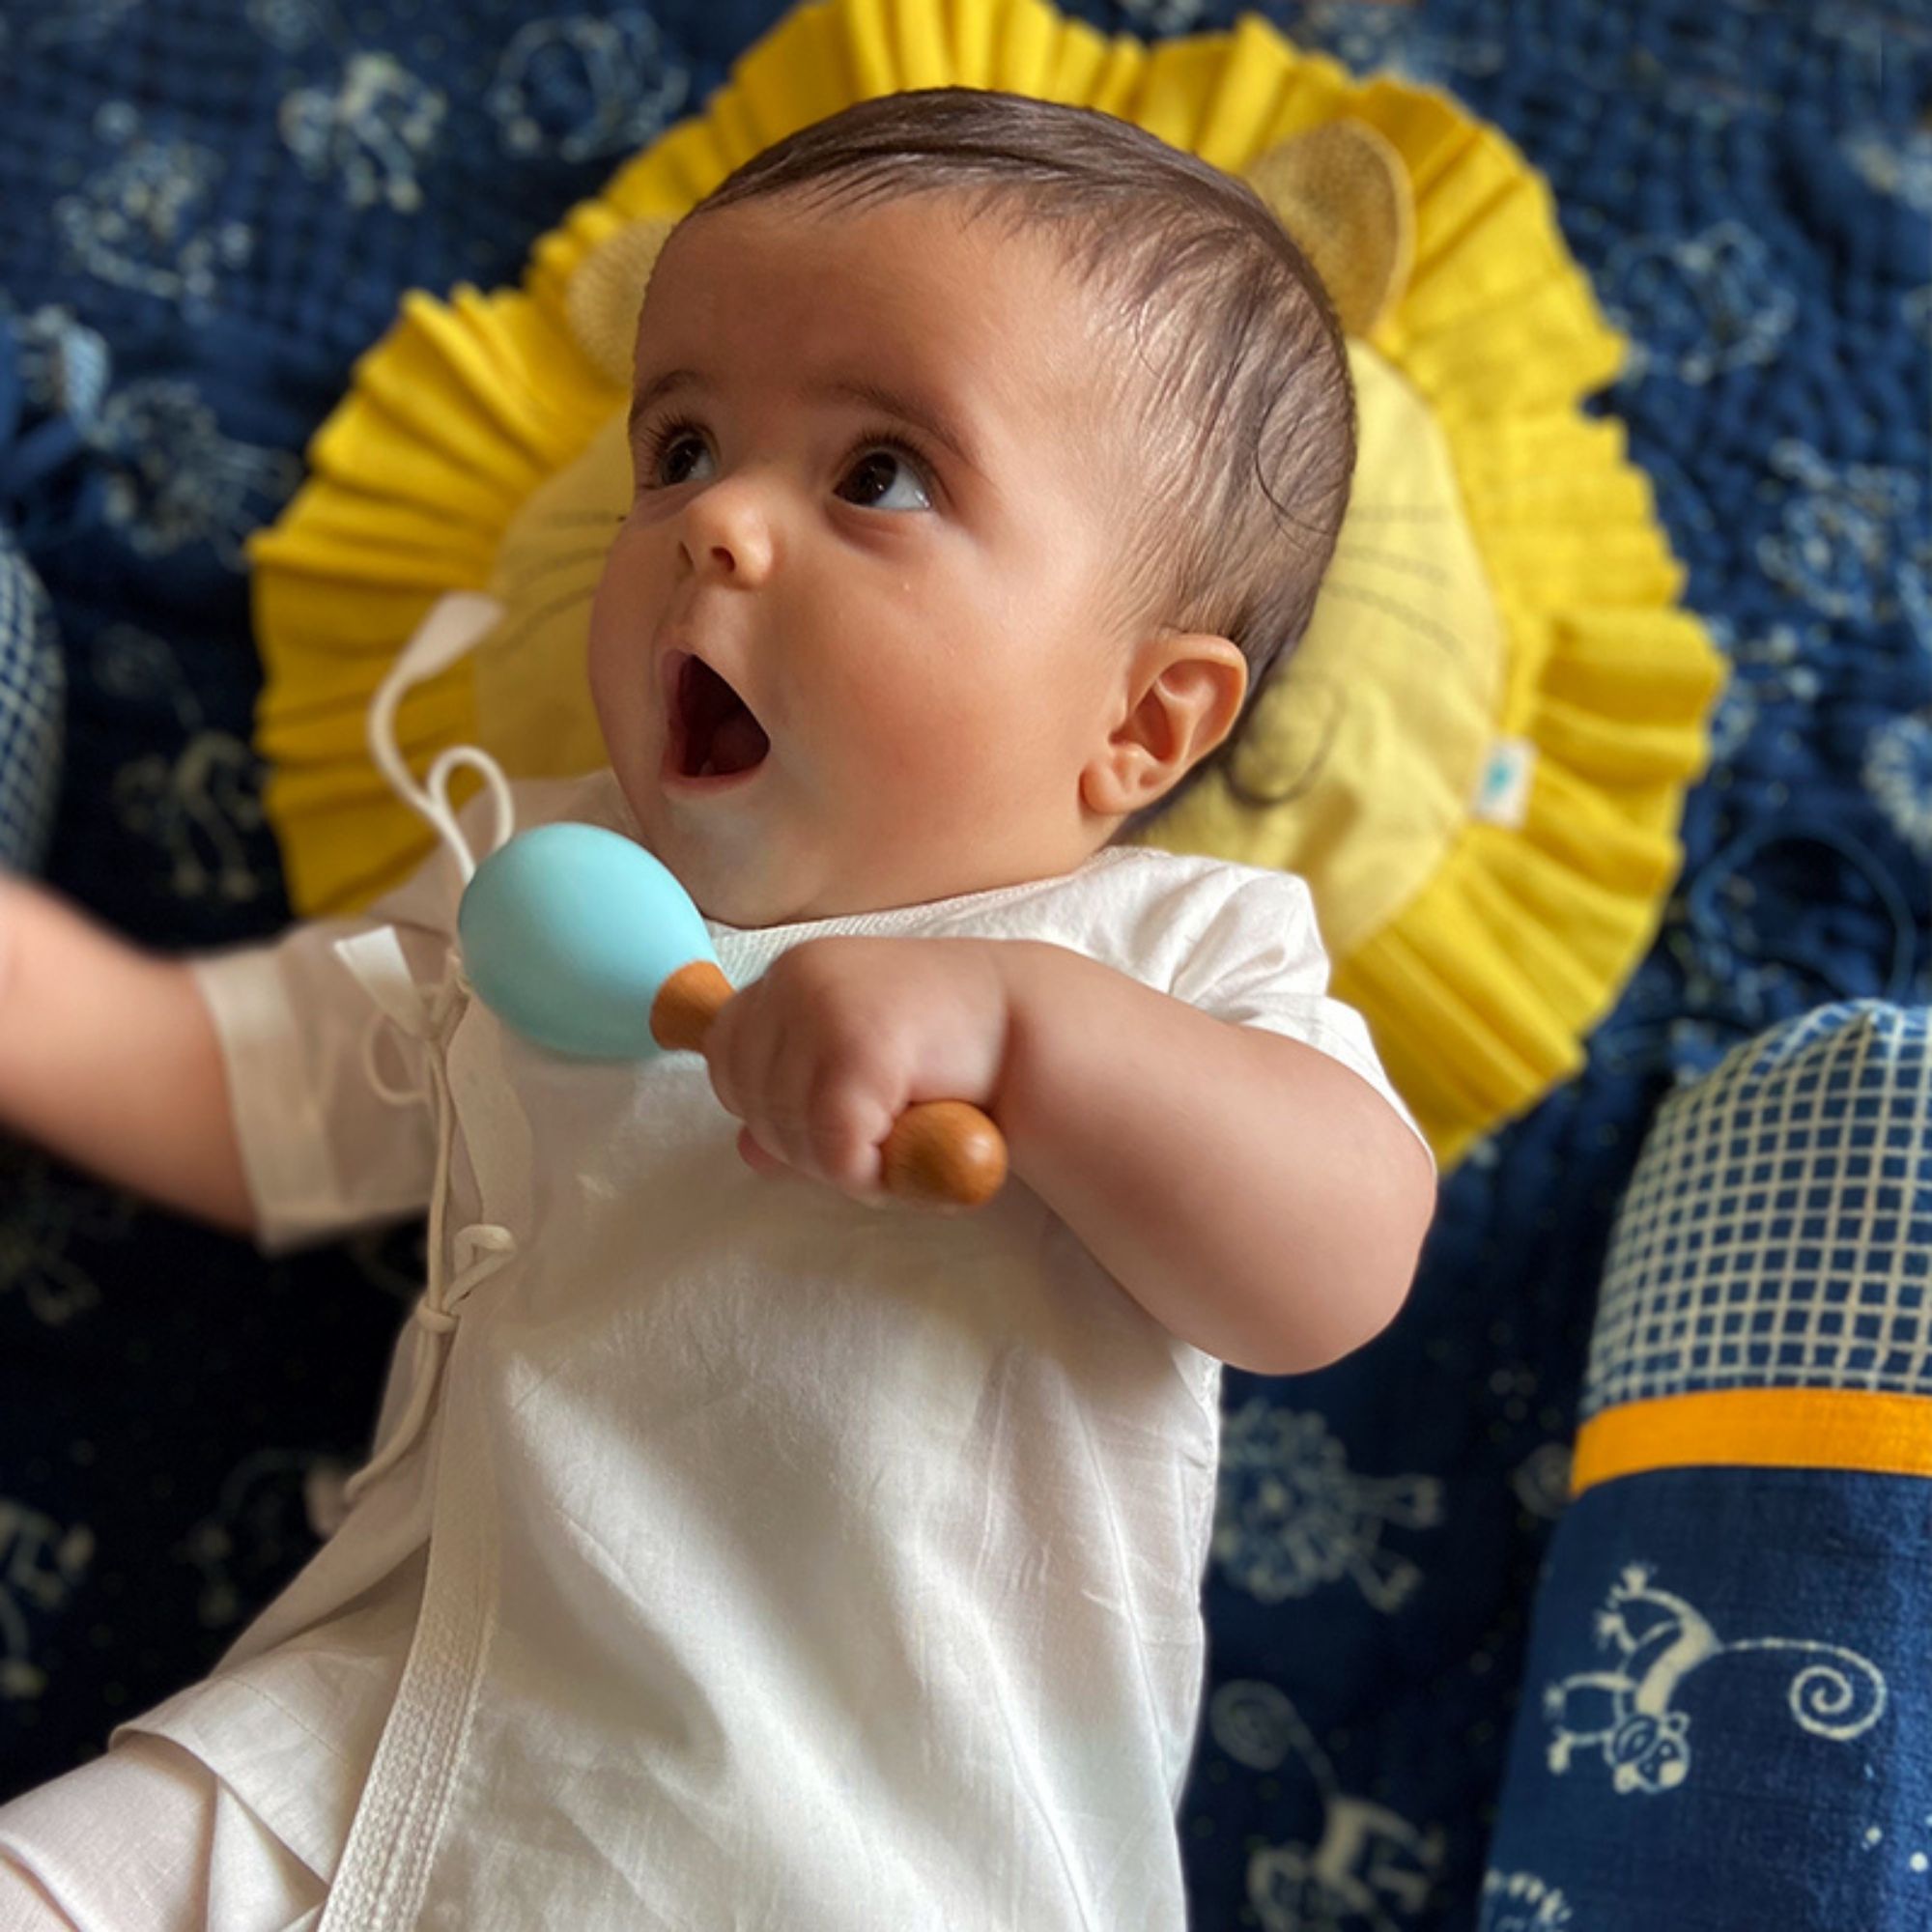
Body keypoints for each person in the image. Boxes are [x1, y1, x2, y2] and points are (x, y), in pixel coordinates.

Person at [0, 88, 1435, 1932]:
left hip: (875, 1846)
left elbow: (1339, 1258)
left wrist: (1026, 1033)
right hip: (391, 1750)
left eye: (880, 476)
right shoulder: (536, 884)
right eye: (678, 448)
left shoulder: (1168, 954)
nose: (717, 528)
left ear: (1143, 722)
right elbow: (232, 1086)